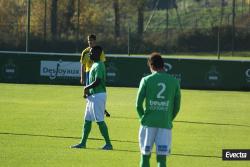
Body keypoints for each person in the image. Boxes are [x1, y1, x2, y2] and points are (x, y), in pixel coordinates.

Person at [136, 52, 181, 167]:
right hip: (165, 124)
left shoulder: (146, 80)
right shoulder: (174, 81)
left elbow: (138, 105)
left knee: (145, 157)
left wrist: (142, 119)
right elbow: (177, 107)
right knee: (162, 159)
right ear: (163, 65)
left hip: (148, 124)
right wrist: (168, 118)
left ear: (151, 66)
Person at [71, 46, 113, 150]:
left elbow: (98, 81)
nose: (90, 54)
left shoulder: (99, 65)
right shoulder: (94, 64)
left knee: (99, 121)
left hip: (98, 95)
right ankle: (83, 143)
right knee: (87, 120)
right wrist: (88, 93)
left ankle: (108, 144)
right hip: (93, 96)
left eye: (92, 52)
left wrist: (86, 87)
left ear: (97, 54)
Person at [80, 34, 110, 117]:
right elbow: (83, 65)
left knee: (98, 91)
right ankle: (92, 108)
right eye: (89, 41)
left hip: (96, 72)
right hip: (88, 73)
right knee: (88, 92)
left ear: (95, 41)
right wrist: (82, 77)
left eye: (92, 40)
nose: (90, 42)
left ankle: (101, 108)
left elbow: (102, 63)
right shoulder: (85, 52)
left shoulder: (99, 51)